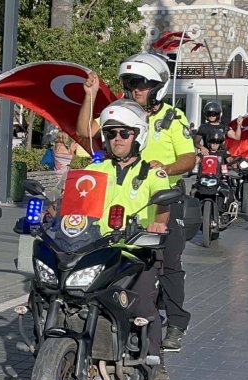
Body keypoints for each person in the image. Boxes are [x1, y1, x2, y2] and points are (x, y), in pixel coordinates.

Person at [77, 52, 196, 353]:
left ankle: (176, 323)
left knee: (168, 260)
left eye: (142, 83)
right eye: (130, 83)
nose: (135, 89)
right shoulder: (120, 114)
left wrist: (165, 170)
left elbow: (190, 158)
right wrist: (89, 96)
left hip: (159, 197)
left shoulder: (171, 117)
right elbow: (83, 133)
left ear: (157, 86)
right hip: (122, 196)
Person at [83, 100, 172, 380]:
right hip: (100, 251)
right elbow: (77, 196)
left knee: (144, 307)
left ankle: (154, 361)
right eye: (111, 134)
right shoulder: (96, 169)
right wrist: (55, 211)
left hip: (138, 252)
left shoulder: (152, 172)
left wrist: (159, 221)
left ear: (138, 135)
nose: (117, 139)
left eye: (124, 133)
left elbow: (164, 202)